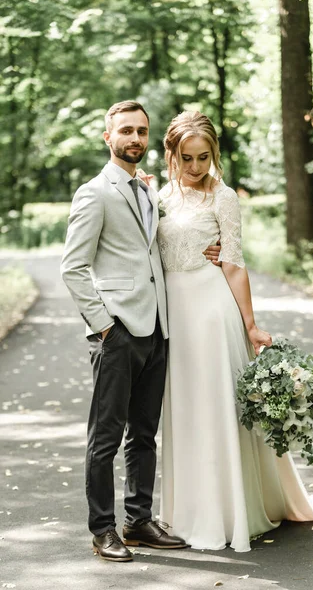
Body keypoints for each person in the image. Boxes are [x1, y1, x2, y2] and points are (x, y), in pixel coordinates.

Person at [157, 111, 313, 553]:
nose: (196, 167)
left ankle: (231, 511)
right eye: (187, 158)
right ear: (172, 154)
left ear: (214, 155)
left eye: (204, 157)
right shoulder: (158, 196)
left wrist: (251, 324)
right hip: (174, 318)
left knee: (218, 408)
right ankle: (186, 512)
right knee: (185, 410)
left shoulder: (222, 197)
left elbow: (234, 263)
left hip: (211, 312)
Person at [60, 100, 220, 562]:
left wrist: (212, 246)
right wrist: (104, 326)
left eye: (141, 131)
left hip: (157, 328)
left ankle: (139, 520)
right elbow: (73, 268)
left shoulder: (146, 189)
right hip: (118, 331)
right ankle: (102, 530)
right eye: (126, 131)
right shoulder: (95, 192)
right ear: (107, 137)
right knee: (105, 437)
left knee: (144, 434)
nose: (134, 139)